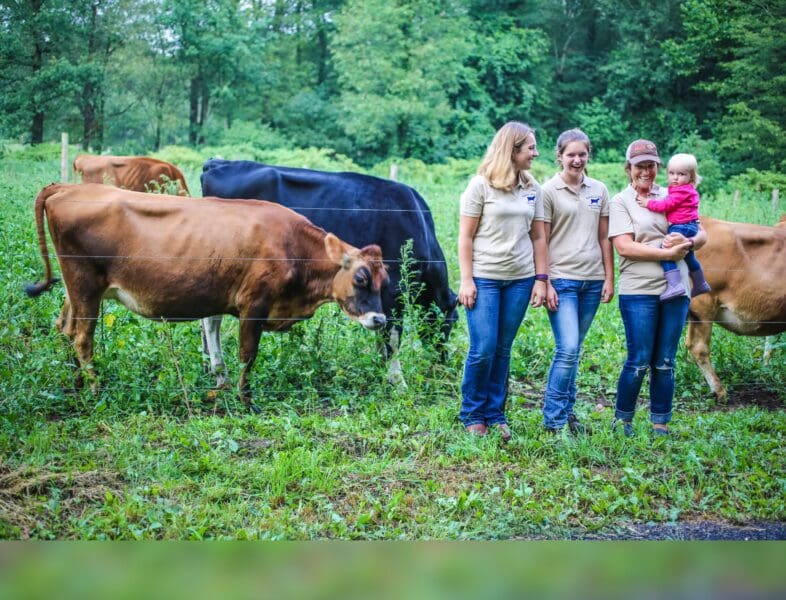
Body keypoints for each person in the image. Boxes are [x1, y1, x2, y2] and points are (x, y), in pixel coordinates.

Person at [608, 139, 708, 437]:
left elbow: (701, 232)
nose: (646, 171)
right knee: (638, 359)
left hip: (676, 292)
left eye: (651, 165)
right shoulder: (621, 201)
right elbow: (625, 247)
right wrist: (666, 253)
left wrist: (688, 243)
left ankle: (660, 422)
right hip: (639, 290)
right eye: (640, 166)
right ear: (629, 169)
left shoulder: (673, 193)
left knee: (665, 361)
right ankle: (623, 420)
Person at [457, 121, 548, 440]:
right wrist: (466, 280)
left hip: (520, 280)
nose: (536, 153)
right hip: (485, 279)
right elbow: (465, 237)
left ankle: (496, 413)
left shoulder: (532, 187)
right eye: (531, 148)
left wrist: (541, 279)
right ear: (512, 150)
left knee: (503, 348)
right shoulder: (480, 185)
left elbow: (538, 237)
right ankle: (472, 412)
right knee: (483, 347)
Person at [540, 129, 614, 434]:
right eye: (571, 154)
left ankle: (568, 415)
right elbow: (541, 240)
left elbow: (604, 236)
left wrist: (609, 277)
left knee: (575, 348)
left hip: (592, 281)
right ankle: (554, 421)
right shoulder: (548, 191)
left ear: (588, 155)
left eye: (582, 154)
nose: (577, 159)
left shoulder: (599, 189)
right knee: (567, 348)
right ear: (560, 156)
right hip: (562, 281)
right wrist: (544, 282)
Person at [636, 153, 711, 300]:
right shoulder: (685, 189)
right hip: (689, 226)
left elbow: (666, 205)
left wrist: (647, 203)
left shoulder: (682, 190)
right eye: (672, 173)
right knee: (689, 256)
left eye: (681, 174)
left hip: (681, 226)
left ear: (691, 177)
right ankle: (700, 282)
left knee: (665, 251)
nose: (675, 178)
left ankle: (674, 285)